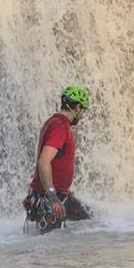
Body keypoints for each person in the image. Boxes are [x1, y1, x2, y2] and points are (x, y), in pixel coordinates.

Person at [24, 85, 93, 232]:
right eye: (83, 111)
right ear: (77, 107)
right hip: (50, 200)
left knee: (90, 223)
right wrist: (52, 196)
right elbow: (43, 161)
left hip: (56, 196)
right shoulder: (60, 127)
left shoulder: (52, 122)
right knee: (51, 249)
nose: (82, 115)